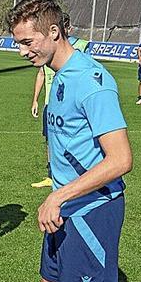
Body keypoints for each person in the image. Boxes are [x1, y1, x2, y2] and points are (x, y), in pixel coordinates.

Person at [8, 0, 134, 282]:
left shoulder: (91, 81)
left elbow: (121, 159)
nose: (22, 51)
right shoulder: (56, 73)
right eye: (18, 43)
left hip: (93, 210)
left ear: (54, 32)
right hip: (66, 207)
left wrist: (60, 194)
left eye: (27, 42)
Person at [30, 13, 89, 188]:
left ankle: (77, 173)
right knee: (50, 139)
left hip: (72, 105)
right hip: (51, 103)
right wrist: (35, 100)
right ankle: (52, 174)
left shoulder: (81, 47)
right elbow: (41, 74)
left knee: (75, 138)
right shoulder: (46, 50)